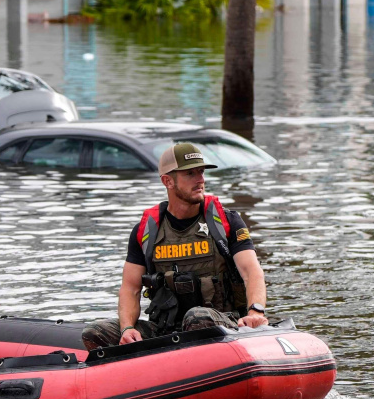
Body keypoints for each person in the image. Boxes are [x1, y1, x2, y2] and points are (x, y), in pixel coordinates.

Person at [81, 143, 269, 350]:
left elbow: (251, 272)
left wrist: (255, 312)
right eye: (190, 173)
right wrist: (127, 329)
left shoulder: (226, 222)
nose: (200, 179)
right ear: (167, 181)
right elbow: (130, 288)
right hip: (166, 329)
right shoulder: (146, 231)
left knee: (197, 318)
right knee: (95, 332)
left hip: (222, 324)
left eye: (201, 172)